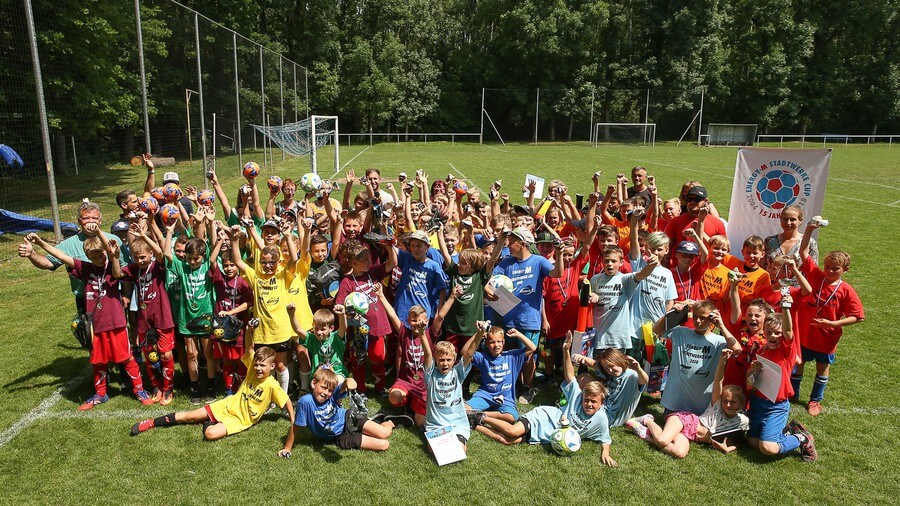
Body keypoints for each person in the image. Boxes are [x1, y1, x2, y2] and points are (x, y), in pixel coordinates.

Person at [27, 228, 151, 410]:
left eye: (101, 255)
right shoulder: (85, 269)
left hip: (116, 323)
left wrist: (110, 250)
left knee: (126, 358)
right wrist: (40, 243)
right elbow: (61, 256)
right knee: (98, 361)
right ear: (87, 256)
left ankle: (139, 390)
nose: (99, 260)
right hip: (96, 325)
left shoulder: (112, 267)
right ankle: (101, 394)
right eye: (94, 257)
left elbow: (114, 264)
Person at [477, 333, 618, 467]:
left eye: (594, 402)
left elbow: (606, 439)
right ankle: (481, 416)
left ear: (601, 404)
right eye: (587, 399)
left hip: (548, 432)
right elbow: (570, 375)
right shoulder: (577, 396)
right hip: (544, 417)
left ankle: (475, 424)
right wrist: (566, 350)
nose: (588, 404)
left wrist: (606, 453)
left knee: (506, 440)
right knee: (513, 431)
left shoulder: (601, 418)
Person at [131, 343, 294, 444]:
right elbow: (250, 348)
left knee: (210, 434)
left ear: (272, 367)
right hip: (227, 405)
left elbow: (286, 400)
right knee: (190, 416)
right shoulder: (252, 370)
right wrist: (250, 330)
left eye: (262, 366)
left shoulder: (272, 385)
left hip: (240, 420)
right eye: (256, 364)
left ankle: (207, 421)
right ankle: (151, 422)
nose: (258, 368)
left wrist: (294, 421)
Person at [792, 219, 865, 416]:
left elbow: (857, 317)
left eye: (835, 268)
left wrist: (833, 322)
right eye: (828, 266)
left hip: (826, 338)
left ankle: (815, 400)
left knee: (822, 368)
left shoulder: (846, 290)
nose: (830, 271)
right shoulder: (816, 276)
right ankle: (793, 394)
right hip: (805, 333)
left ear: (845, 270)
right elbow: (803, 252)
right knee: (798, 364)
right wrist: (808, 229)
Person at [626, 349, 749, 458]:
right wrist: (722, 361)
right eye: (725, 401)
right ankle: (647, 420)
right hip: (686, 421)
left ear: (741, 404)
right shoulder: (717, 406)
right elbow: (718, 381)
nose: (727, 405)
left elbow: (737, 440)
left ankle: (646, 434)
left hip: (692, 436)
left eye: (733, 402)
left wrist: (727, 448)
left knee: (679, 453)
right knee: (663, 441)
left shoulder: (742, 421)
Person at [227, 223, 299, 399]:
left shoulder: (283, 276)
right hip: (262, 332)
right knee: (265, 368)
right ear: (260, 263)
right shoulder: (255, 277)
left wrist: (288, 236)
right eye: (265, 262)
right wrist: (234, 240)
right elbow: (237, 261)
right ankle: (268, 398)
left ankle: (282, 398)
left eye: (272, 262)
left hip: (280, 330)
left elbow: (294, 260)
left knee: (281, 366)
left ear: (278, 262)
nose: (268, 266)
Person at [491, 227, 564, 403]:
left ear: (523, 243)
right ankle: (514, 385)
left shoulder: (538, 261)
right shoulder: (506, 263)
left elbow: (557, 273)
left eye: (512, 241)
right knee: (510, 353)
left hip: (529, 319)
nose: (508, 244)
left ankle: (527, 387)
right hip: (507, 318)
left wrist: (560, 254)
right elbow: (492, 279)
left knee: (528, 355)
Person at [18, 200, 125, 313]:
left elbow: (125, 267)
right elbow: (48, 263)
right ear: (79, 221)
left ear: (100, 221)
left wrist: (127, 294)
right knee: (89, 330)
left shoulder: (113, 240)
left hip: (113, 295)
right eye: (86, 218)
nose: (90, 221)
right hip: (85, 298)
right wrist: (32, 254)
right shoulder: (69, 244)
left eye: (94, 218)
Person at [746, 305, 818, 462]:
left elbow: (788, 331)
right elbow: (751, 381)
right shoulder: (762, 349)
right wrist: (753, 371)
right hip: (758, 403)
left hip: (776, 406)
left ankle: (802, 438)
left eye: (777, 333)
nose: (773, 336)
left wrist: (786, 308)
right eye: (769, 332)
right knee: (753, 443)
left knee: (767, 447)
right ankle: (787, 430)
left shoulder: (786, 350)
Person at [116, 222, 176, 405]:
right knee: (150, 355)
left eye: (142, 256)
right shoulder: (135, 269)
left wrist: (144, 237)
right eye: (136, 257)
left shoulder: (158, 267)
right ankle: (156, 387)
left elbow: (160, 253)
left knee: (165, 355)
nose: (139, 260)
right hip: (144, 319)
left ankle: (168, 389)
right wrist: (114, 256)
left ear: (149, 254)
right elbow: (118, 273)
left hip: (162, 317)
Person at [282, 368, 407, 453]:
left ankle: (390, 422)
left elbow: (343, 386)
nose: (326, 393)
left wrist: (348, 381)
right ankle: (373, 423)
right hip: (339, 437)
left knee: (385, 433)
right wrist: (287, 448)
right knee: (384, 445)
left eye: (330, 390)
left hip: (349, 419)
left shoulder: (333, 395)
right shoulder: (305, 402)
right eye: (324, 388)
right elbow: (296, 427)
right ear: (314, 384)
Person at [653, 300, 740, 415]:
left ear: (712, 319)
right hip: (675, 402)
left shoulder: (718, 341)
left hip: (701, 405)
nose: (698, 321)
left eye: (703, 318)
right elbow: (656, 330)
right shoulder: (680, 332)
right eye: (695, 316)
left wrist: (722, 326)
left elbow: (737, 350)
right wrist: (672, 312)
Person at [164, 222, 218, 404]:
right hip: (186, 317)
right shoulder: (182, 267)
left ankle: (211, 385)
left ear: (203, 256)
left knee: (208, 353)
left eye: (196, 258)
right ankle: (195, 388)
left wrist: (209, 223)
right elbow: (166, 255)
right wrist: (170, 232)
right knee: (191, 354)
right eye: (189, 258)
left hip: (206, 315)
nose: (193, 261)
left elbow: (210, 244)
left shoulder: (207, 266)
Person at [420, 314, 480, 453]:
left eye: (448, 360)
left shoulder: (457, 373)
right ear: (436, 360)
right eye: (441, 360)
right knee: (434, 451)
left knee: (459, 450)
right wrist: (422, 333)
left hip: (457, 424)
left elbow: (469, 353)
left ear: (454, 360)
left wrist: (480, 333)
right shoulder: (431, 375)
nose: (445, 363)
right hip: (436, 426)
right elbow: (427, 354)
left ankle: (461, 431)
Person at [588, 245, 658, 354]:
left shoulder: (625, 280)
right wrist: (593, 296)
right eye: (606, 261)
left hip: (618, 338)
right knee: (599, 368)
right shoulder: (595, 279)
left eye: (613, 261)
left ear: (621, 263)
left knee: (616, 369)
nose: (609, 264)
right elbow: (587, 300)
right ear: (602, 261)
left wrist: (653, 264)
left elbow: (642, 274)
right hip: (599, 336)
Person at [466, 326, 536, 428]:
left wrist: (518, 334)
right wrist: (478, 335)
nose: (496, 345)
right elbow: (465, 353)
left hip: (506, 397)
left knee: (512, 417)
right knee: (464, 408)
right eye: (492, 342)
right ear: (486, 343)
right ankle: (477, 413)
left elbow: (533, 348)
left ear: (503, 342)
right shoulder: (483, 357)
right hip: (486, 395)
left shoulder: (512, 357)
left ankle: (481, 415)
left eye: (499, 342)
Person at [572, 348, 647, 427]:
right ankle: (574, 404)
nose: (610, 370)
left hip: (610, 418)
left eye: (611, 366)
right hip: (603, 406)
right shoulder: (612, 372)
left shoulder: (631, 375)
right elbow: (595, 365)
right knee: (584, 377)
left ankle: (574, 405)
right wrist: (582, 358)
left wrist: (639, 369)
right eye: (606, 368)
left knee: (584, 378)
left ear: (619, 361)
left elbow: (644, 380)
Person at [290, 305, 349, 393]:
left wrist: (342, 315)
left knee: (338, 384)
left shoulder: (336, 338)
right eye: (316, 328)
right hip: (319, 374)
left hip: (337, 372)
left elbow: (343, 328)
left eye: (323, 329)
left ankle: (337, 403)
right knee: (320, 390)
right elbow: (298, 329)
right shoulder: (312, 340)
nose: (319, 332)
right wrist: (291, 314)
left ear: (331, 328)